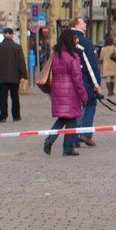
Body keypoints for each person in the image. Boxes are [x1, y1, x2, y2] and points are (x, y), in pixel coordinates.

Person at [43, 28, 88, 157]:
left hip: (57, 90)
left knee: (64, 118)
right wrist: (84, 96)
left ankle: (51, 140)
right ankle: (67, 148)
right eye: (75, 38)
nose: (77, 40)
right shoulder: (73, 57)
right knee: (71, 119)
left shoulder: (56, 55)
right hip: (70, 91)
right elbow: (77, 79)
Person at [70, 16, 101, 147]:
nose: (86, 24)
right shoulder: (85, 42)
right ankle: (85, 133)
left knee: (74, 107)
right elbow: (91, 65)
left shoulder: (64, 40)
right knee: (89, 104)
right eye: (83, 22)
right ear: (77, 24)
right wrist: (97, 84)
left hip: (68, 80)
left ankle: (73, 136)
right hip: (84, 79)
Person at [0, 27, 28, 122]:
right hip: (14, 77)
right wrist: (23, 75)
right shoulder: (17, 48)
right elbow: (21, 62)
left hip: (1, 77)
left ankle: (3, 116)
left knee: (2, 97)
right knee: (15, 97)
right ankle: (16, 116)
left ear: (4, 35)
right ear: (12, 35)